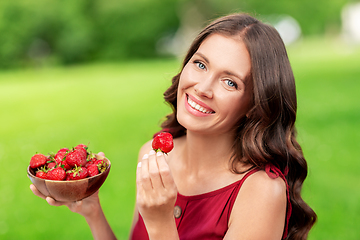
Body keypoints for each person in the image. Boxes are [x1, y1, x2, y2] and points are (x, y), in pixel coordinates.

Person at [30, 13, 317, 240]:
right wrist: (93, 212)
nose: (202, 88)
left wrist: (160, 224)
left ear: (256, 104)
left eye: (230, 82)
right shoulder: (153, 155)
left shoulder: (262, 192)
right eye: (201, 65)